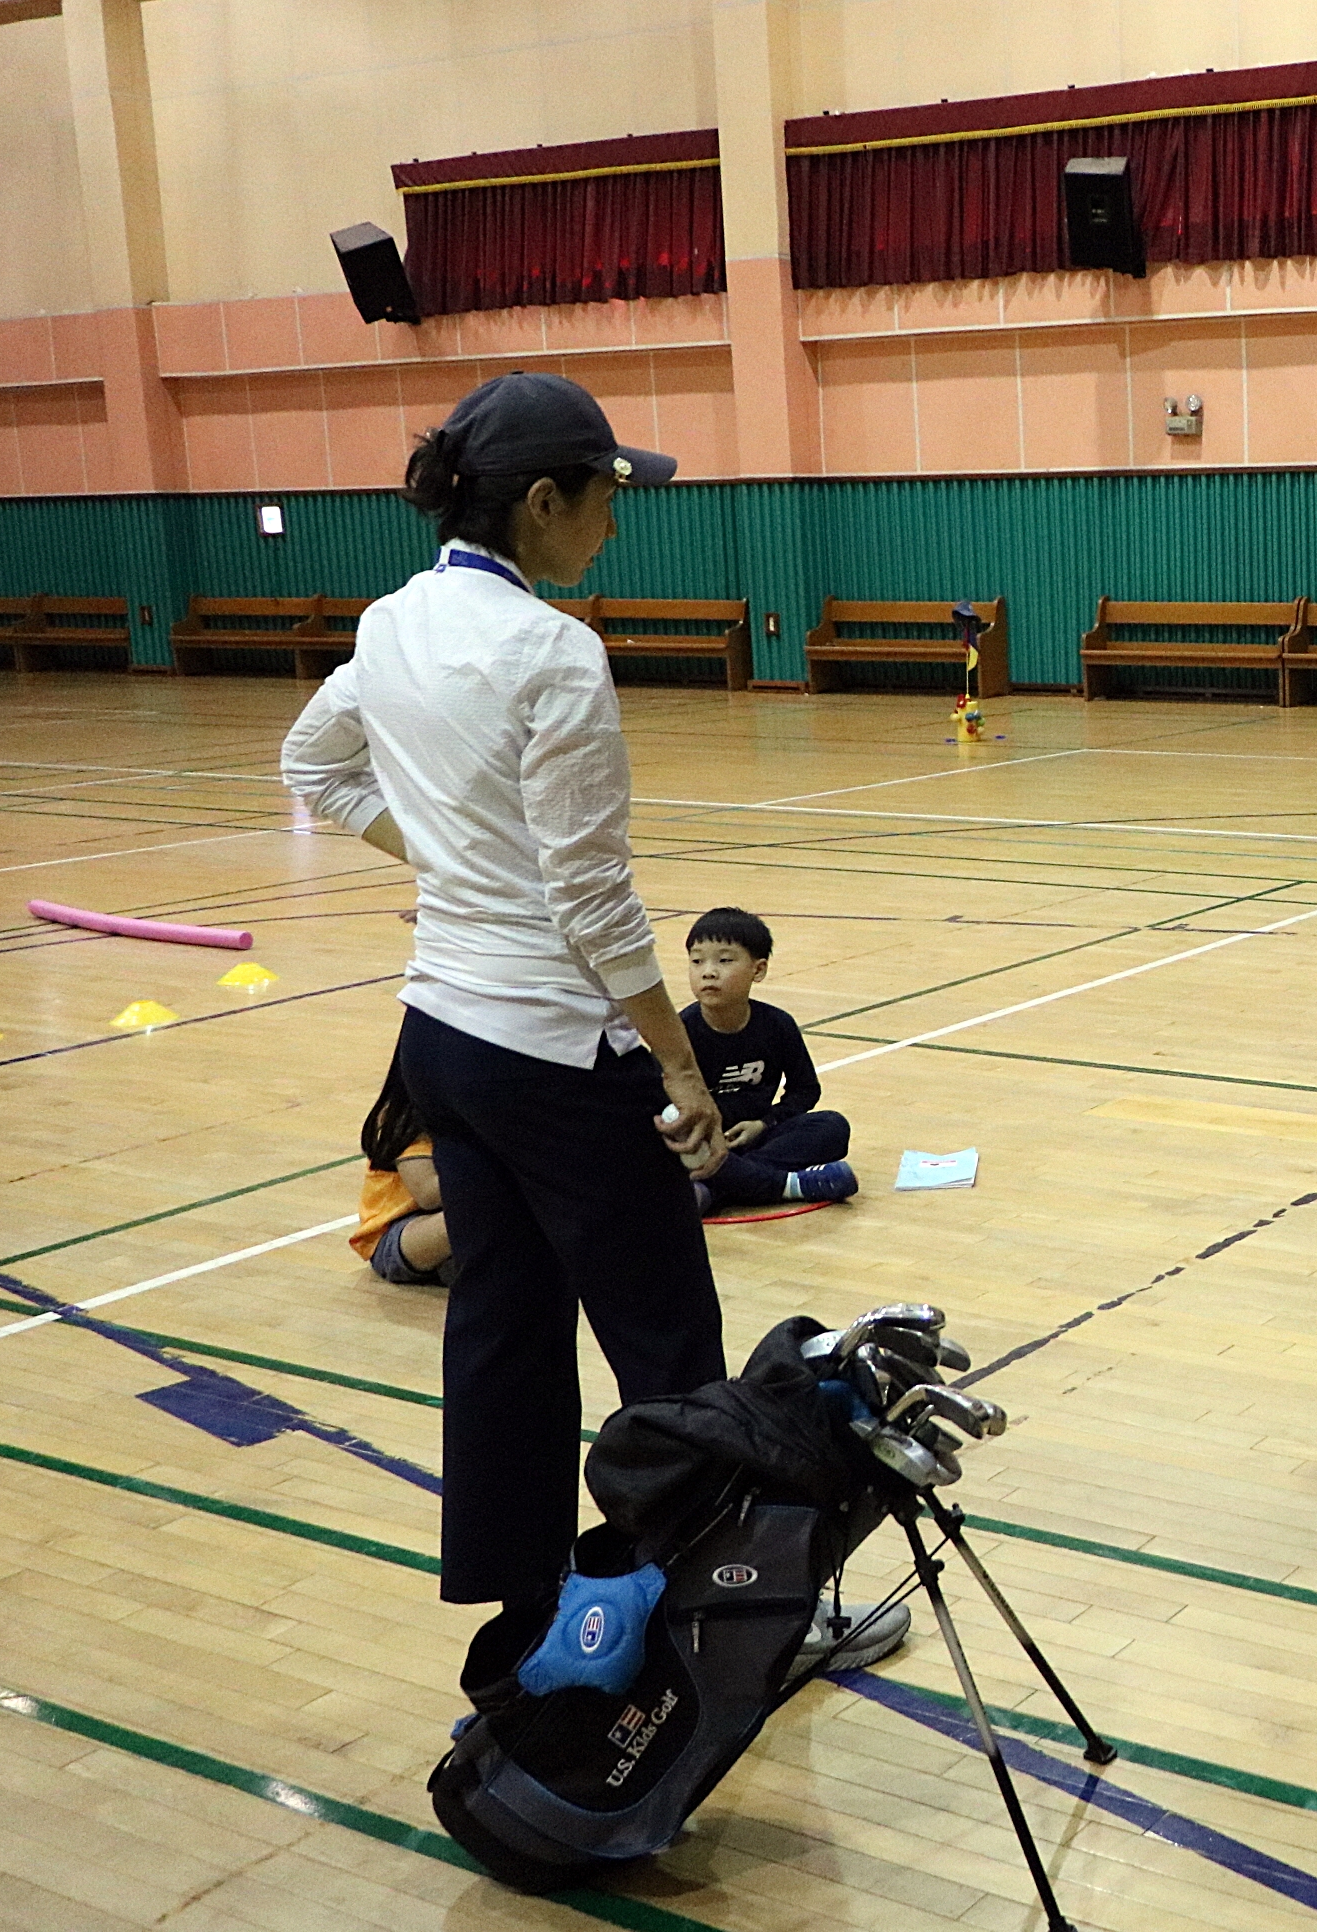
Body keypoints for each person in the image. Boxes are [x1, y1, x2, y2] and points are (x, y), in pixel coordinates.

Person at [280, 371, 904, 1675]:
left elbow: (313, 762)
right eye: (606, 495)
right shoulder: (553, 652)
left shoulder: (391, 623)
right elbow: (592, 899)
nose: (617, 521)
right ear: (542, 502)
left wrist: (451, 869)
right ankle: (730, 1621)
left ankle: (522, 1621)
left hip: (442, 1042)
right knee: (670, 1345)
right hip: (559, 1060)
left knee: (502, 1333)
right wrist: (680, 1064)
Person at [680, 907, 857, 1210]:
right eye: (697, 961)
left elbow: (805, 1090)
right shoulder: (679, 1032)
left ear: (758, 970)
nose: (708, 972)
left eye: (724, 960)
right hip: (700, 1146)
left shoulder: (777, 1025)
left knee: (832, 1126)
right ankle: (786, 1185)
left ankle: (717, 1189)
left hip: (753, 1142)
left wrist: (763, 1124)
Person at [352, 1046, 456, 1286]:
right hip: (397, 1233)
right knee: (480, 1212)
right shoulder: (404, 1117)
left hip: (439, 1220)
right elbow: (427, 1194)